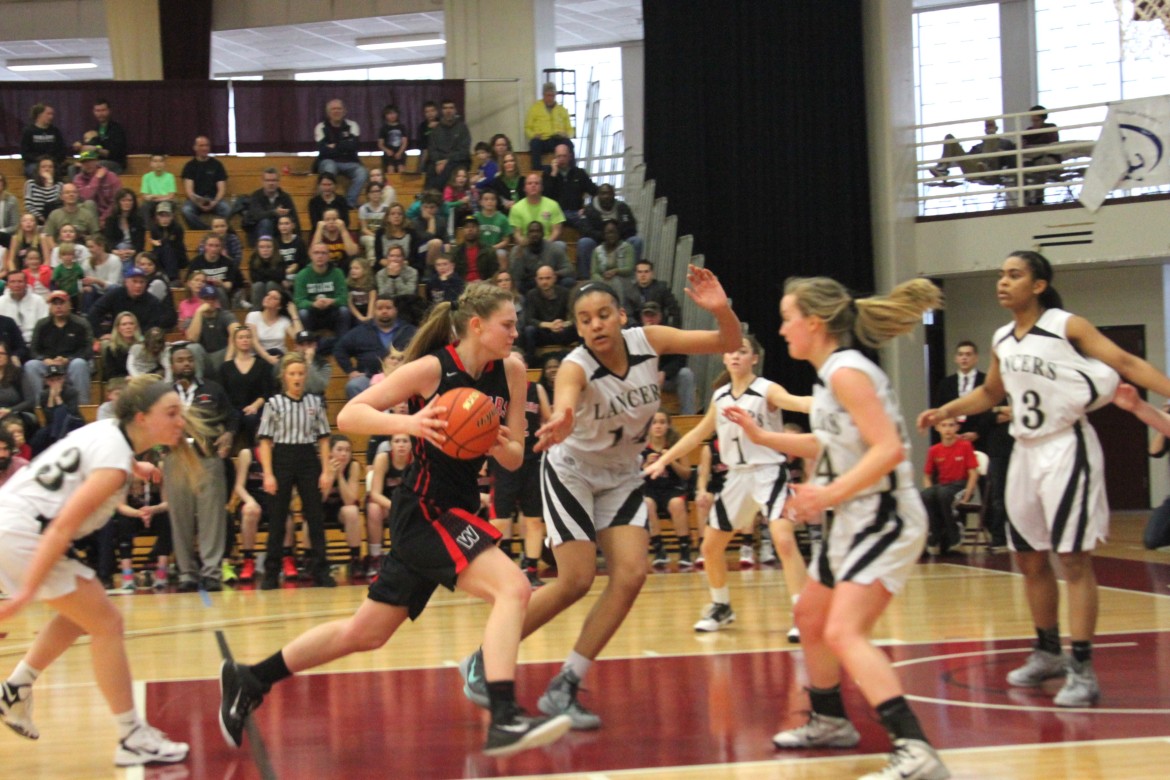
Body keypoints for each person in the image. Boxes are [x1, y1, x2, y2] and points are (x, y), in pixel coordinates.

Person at [218, 282, 572, 758]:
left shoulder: (510, 370)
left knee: (365, 632)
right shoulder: (432, 370)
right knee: (514, 588)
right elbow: (350, 414)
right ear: (477, 325)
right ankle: (503, 715)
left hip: (459, 509)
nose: (515, 332)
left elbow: (513, 459)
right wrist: (411, 423)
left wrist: (489, 439)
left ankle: (251, 677)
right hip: (424, 511)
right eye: (507, 324)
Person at [459, 267, 742, 731]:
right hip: (574, 473)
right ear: (577, 326)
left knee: (630, 576)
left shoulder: (648, 340)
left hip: (622, 475)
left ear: (621, 316)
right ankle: (482, 659)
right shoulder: (575, 365)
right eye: (585, 319)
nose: (595, 325)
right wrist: (565, 416)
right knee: (576, 580)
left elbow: (725, 343)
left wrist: (720, 309)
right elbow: (566, 396)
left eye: (604, 314)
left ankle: (566, 684)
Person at [918, 250, 1170, 711]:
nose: (1002, 282)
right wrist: (947, 410)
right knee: (1030, 560)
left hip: (1065, 446)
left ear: (1038, 285)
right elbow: (992, 393)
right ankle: (1047, 651)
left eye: (1014, 275)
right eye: (1000, 274)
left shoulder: (1066, 325)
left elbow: (1126, 364)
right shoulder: (1001, 338)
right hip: (1024, 452)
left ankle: (1083, 668)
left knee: (1072, 559)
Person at [722, 276, 948, 780]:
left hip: (884, 514)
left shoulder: (847, 373)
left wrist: (828, 494)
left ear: (814, 323)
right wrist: (764, 436)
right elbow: (827, 444)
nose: (781, 330)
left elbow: (890, 449)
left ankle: (916, 749)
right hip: (854, 516)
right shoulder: (831, 377)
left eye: (786, 319)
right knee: (810, 614)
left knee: (845, 630)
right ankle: (829, 719)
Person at [0, 376, 197, 766]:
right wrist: (23, 594)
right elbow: (62, 528)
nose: (180, 422)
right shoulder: (113, 468)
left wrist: (137, 465)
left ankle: (15, 690)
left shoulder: (110, 431)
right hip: (23, 532)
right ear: (142, 417)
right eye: (171, 414)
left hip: (12, 518)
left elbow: (85, 455)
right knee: (107, 623)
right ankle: (130, 736)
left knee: (81, 616)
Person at [645, 334, 810, 637]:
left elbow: (798, 403)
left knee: (784, 540)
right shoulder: (720, 397)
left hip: (769, 471)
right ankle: (721, 606)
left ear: (754, 358)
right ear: (723, 358)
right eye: (731, 351)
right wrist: (663, 460)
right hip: (736, 476)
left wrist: (831, 403)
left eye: (743, 351)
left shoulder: (766, 390)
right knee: (710, 546)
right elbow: (696, 436)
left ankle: (803, 612)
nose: (735, 356)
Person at [254, 353, 335, 589]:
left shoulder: (315, 402)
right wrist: (268, 474)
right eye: (292, 374)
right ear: (284, 377)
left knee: (315, 516)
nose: (297, 378)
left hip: (308, 458)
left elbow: (323, 439)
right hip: (282, 458)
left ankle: (321, 570)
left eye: (300, 373)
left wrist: (326, 471)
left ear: (306, 375)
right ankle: (271, 572)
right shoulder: (274, 403)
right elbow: (265, 442)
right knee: (278, 518)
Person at [164, 346, 237, 592]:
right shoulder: (163, 394)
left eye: (188, 359)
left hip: (207, 457)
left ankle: (211, 573)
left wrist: (228, 435)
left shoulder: (212, 389)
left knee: (211, 517)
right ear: (171, 365)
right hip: (176, 459)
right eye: (179, 360)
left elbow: (232, 417)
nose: (185, 363)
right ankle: (187, 573)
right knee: (180, 517)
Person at [488, 349, 550, 587]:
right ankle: (489, 570)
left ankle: (531, 570)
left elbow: (548, 420)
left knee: (534, 520)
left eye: (519, 360)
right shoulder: (497, 392)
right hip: (504, 461)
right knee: (500, 522)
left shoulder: (536, 389)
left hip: (533, 461)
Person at [334, 293, 418, 399]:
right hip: (369, 379)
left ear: (396, 310)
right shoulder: (361, 331)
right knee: (353, 386)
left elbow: (423, 350)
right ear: (373, 311)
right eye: (380, 308)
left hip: (402, 379)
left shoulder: (410, 331)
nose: (384, 311)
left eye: (388, 308)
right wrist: (350, 370)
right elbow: (339, 349)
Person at [640, 410, 693, 568]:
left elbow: (687, 473)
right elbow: (632, 476)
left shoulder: (676, 446)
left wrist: (670, 460)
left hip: (672, 488)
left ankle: (685, 549)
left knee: (676, 503)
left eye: (662, 422)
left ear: (668, 425)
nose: (658, 426)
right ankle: (659, 549)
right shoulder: (642, 447)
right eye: (654, 422)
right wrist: (646, 465)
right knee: (647, 503)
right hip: (650, 489)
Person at [920, 419, 978, 556]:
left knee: (944, 495)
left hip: (960, 485)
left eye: (951, 425)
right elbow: (927, 475)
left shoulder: (965, 446)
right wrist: (929, 492)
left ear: (957, 427)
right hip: (943, 487)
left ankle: (956, 541)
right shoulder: (934, 450)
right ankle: (933, 537)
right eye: (944, 425)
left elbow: (973, 473)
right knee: (926, 495)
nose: (948, 429)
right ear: (937, 428)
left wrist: (967, 495)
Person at [24, 291, 94, 405]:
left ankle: (83, 405)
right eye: (55, 303)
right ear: (50, 307)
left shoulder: (81, 323)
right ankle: (39, 405)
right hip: (47, 365)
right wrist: (44, 359)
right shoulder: (42, 325)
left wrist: (68, 360)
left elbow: (88, 350)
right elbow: (33, 350)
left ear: (70, 305)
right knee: (31, 365)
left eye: (62, 303)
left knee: (79, 364)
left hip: (70, 365)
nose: (58, 306)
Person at [218, 323, 275, 447]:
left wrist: (255, 406)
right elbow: (222, 393)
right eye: (241, 337)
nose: (245, 340)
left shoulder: (262, 365)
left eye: (248, 337)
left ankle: (253, 452)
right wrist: (231, 410)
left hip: (255, 408)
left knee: (251, 418)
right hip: (232, 409)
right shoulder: (225, 368)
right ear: (234, 341)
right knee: (232, 420)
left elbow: (267, 392)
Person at [366, 432, 413, 575]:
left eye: (405, 441)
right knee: (373, 508)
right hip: (386, 504)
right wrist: (395, 506)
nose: (401, 445)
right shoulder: (383, 459)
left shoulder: (416, 460)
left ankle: (415, 556)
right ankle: (375, 558)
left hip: (409, 505)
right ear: (391, 445)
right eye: (397, 441)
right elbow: (375, 494)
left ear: (411, 445)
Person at [638, 301, 697, 415]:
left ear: (660, 316)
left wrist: (665, 372)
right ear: (642, 317)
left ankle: (688, 417)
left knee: (686, 374)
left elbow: (681, 357)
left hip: (665, 381)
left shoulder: (668, 332)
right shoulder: (636, 336)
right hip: (642, 381)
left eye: (653, 315)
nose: (650, 319)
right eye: (647, 315)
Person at [933, 340, 992, 450]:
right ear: (956, 358)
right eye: (960, 354)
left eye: (968, 354)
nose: (964, 358)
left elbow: (991, 410)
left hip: (980, 439)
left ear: (976, 358)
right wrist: (950, 432)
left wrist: (977, 433)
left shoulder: (985, 380)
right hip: (952, 438)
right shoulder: (946, 383)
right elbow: (939, 410)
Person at [314, 99, 369, 208]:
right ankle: (327, 202)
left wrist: (334, 146)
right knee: (330, 167)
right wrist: (344, 145)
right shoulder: (320, 127)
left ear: (344, 111)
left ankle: (349, 203)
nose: (336, 111)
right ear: (328, 112)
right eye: (333, 109)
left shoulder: (353, 125)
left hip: (350, 162)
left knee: (362, 172)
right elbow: (323, 150)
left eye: (339, 109)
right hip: (327, 161)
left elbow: (353, 146)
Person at [579, 183, 642, 272]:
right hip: (598, 242)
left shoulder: (622, 207)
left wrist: (616, 236)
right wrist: (603, 236)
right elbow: (585, 230)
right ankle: (584, 277)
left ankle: (633, 275)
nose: (606, 196)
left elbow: (632, 228)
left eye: (609, 193)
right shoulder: (590, 209)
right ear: (598, 195)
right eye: (603, 193)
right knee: (584, 242)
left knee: (636, 241)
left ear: (614, 194)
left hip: (620, 241)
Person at [522, 264, 577, 359]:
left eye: (548, 278)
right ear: (536, 280)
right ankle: (530, 362)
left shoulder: (565, 293)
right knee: (529, 330)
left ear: (554, 278)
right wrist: (550, 325)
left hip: (562, 331)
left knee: (578, 327)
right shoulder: (531, 295)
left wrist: (563, 324)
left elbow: (574, 316)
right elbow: (529, 319)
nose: (544, 282)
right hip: (544, 333)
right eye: (541, 279)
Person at [295, 242, 349, 336]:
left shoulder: (337, 273)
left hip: (331, 311)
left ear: (328, 256)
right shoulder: (302, 275)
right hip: (312, 312)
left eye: (323, 253)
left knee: (344, 310)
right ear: (311, 255)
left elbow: (344, 298)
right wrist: (313, 304)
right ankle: (309, 343)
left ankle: (342, 343)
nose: (320, 256)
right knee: (303, 312)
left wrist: (332, 301)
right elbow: (299, 301)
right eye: (316, 253)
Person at [180, 136, 231, 229]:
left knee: (227, 210)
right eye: (201, 145)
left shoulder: (217, 165)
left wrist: (214, 202)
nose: (204, 148)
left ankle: (219, 229)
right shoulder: (189, 166)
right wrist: (199, 202)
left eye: (207, 145)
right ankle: (206, 230)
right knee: (186, 210)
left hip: (214, 199)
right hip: (196, 200)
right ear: (195, 147)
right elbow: (189, 192)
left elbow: (221, 189)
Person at [511, 221, 573, 293]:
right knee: (518, 285)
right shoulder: (519, 250)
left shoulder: (554, 248)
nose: (535, 234)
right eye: (532, 231)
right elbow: (516, 276)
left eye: (538, 231)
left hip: (552, 283)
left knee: (568, 281)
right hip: (531, 285)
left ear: (543, 234)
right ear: (527, 234)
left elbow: (569, 269)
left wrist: (553, 274)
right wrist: (519, 256)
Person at [525, 82, 574, 172]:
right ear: (543, 95)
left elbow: (570, 129)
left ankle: (572, 169)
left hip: (557, 139)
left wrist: (567, 134)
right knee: (534, 143)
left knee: (569, 144)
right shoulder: (535, 108)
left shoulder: (562, 110)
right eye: (548, 95)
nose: (550, 98)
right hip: (542, 140)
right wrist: (533, 135)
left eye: (552, 95)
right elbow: (528, 127)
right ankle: (537, 169)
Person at [426, 98, 472, 191]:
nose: (448, 111)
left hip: (458, 161)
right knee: (430, 169)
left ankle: (436, 192)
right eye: (445, 108)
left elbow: (464, 150)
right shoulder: (436, 129)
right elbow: (432, 149)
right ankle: (428, 194)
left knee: (449, 167)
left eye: (451, 108)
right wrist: (438, 162)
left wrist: (447, 160)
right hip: (439, 161)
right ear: (441, 111)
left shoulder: (462, 128)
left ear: (455, 110)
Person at [244, 168, 298, 247]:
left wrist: (297, 240)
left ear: (278, 182)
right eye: (268, 180)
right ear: (262, 181)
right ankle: (265, 250)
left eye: (274, 180)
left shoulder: (285, 197)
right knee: (265, 222)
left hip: (279, 233)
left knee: (286, 223)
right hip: (258, 233)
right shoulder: (256, 195)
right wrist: (274, 212)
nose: (271, 183)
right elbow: (256, 215)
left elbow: (294, 219)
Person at [72, 98, 128, 174]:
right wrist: (80, 147)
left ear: (109, 111)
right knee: (72, 168)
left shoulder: (117, 129)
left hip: (114, 163)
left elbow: (115, 154)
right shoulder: (94, 129)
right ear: (94, 112)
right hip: (94, 161)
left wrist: (95, 149)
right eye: (97, 111)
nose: (100, 114)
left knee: (97, 165)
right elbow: (86, 151)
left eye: (103, 110)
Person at [1022, 106, 1061, 206]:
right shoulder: (1029, 130)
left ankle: (1038, 199)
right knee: (1019, 167)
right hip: (1035, 159)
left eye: (1037, 120)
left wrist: (1033, 142)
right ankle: (1025, 198)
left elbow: (1050, 140)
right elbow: (1023, 144)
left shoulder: (1051, 127)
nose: (1034, 123)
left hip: (1050, 158)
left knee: (1042, 166)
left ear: (1043, 118)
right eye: (1033, 121)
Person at [20, 104, 68, 178]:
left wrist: (51, 160)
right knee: (35, 171)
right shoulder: (28, 131)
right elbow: (25, 153)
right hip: (34, 163)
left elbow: (61, 150)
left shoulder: (55, 131)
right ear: (39, 115)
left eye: (52, 114)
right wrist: (41, 160)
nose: (51, 117)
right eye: (48, 114)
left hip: (53, 162)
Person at [74, 151, 123, 222]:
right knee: (88, 203)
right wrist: (97, 178)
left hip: (110, 216)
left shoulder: (111, 176)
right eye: (84, 162)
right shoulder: (78, 179)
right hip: (89, 217)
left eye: (90, 161)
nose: (88, 164)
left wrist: (104, 218)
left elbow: (116, 200)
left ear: (97, 161)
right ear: (81, 165)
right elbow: (86, 197)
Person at [0, 273, 49, 344]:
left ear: (26, 283)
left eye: (20, 281)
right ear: (7, 285)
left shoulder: (38, 300)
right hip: (8, 345)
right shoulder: (1, 302)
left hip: (34, 342)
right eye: (12, 282)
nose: (16, 285)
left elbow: (45, 325)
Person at [22, 158, 62, 226]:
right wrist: (40, 217)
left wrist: (49, 183)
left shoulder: (60, 185)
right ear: (38, 169)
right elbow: (29, 206)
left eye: (50, 167)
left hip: (53, 221)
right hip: (35, 220)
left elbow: (52, 205)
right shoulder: (30, 184)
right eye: (43, 167)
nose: (47, 169)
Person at [139, 153, 176, 222]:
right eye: (155, 161)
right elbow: (145, 196)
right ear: (151, 163)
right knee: (144, 207)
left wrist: (154, 196)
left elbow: (171, 196)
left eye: (160, 161)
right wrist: (161, 196)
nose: (158, 164)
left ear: (164, 163)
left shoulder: (170, 176)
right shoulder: (146, 177)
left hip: (166, 201)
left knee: (165, 206)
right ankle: (148, 230)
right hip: (152, 203)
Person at [378, 104, 409, 172]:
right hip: (389, 153)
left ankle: (401, 183)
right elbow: (380, 144)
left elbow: (404, 142)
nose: (392, 115)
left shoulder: (402, 127)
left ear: (397, 114)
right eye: (389, 113)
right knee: (390, 168)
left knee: (401, 167)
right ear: (385, 116)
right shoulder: (383, 128)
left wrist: (400, 152)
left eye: (394, 113)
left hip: (400, 152)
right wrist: (387, 150)